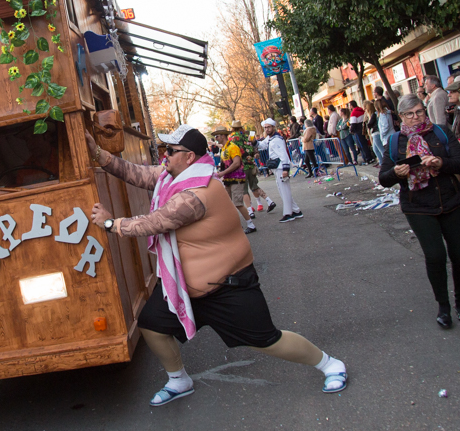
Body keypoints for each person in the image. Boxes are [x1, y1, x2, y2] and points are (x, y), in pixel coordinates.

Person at [85, 125, 347, 405]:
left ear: (188, 157)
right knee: (151, 323)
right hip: (186, 287)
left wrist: (112, 223)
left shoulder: (198, 192)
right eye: (164, 151)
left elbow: (156, 222)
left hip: (228, 286)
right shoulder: (171, 177)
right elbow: (135, 173)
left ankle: (329, 364)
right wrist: (97, 152)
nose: (164, 157)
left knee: (267, 340)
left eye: (170, 151)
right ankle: (178, 380)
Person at [378, 95, 460, 329]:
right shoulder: (394, 142)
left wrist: (441, 163)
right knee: (435, 256)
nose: (415, 117)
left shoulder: (441, 132)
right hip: (418, 206)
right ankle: (443, 307)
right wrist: (397, 173)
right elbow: (384, 179)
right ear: (401, 117)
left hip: (451, 201)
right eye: (409, 114)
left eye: (419, 112)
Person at [212, 126, 257, 234]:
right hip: (228, 179)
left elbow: (236, 163)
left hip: (237, 178)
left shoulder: (232, 147)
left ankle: (251, 224)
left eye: (217, 136)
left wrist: (222, 173)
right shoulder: (224, 148)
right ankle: (236, 225)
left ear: (223, 135)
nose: (216, 138)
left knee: (237, 203)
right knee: (228, 203)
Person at [259, 119, 303, 222]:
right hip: (277, 167)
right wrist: (253, 142)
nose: (267, 129)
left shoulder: (277, 139)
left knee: (284, 191)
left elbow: (284, 155)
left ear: (273, 127)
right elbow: (262, 145)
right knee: (283, 190)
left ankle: (288, 213)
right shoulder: (270, 138)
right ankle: (296, 211)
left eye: (268, 127)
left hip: (280, 167)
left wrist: (285, 169)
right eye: (265, 127)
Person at [228, 122, 275, 217]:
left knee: (243, 190)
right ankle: (269, 201)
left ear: (233, 128)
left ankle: (250, 211)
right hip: (250, 165)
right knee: (254, 186)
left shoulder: (231, 139)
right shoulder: (247, 137)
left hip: (240, 167)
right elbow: (254, 148)